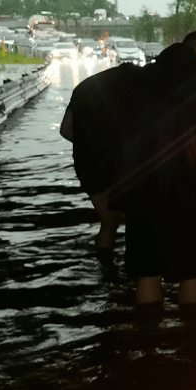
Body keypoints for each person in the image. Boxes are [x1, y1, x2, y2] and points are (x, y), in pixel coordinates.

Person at [115, 30, 196, 308]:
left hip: (140, 190)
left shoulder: (137, 81)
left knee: (147, 273)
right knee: (191, 273)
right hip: (185, 188)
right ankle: (191, 340)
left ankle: (150, 338)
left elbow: (118, 133)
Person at [60, 59, 142, 262]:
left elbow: (65, 130)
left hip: (90, 166)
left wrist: (87, 147)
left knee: (107, 223)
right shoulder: (139, 89)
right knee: (137, 224)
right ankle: (133, 276)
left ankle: (104, 268)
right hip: (126, 167)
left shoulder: (85, 88)